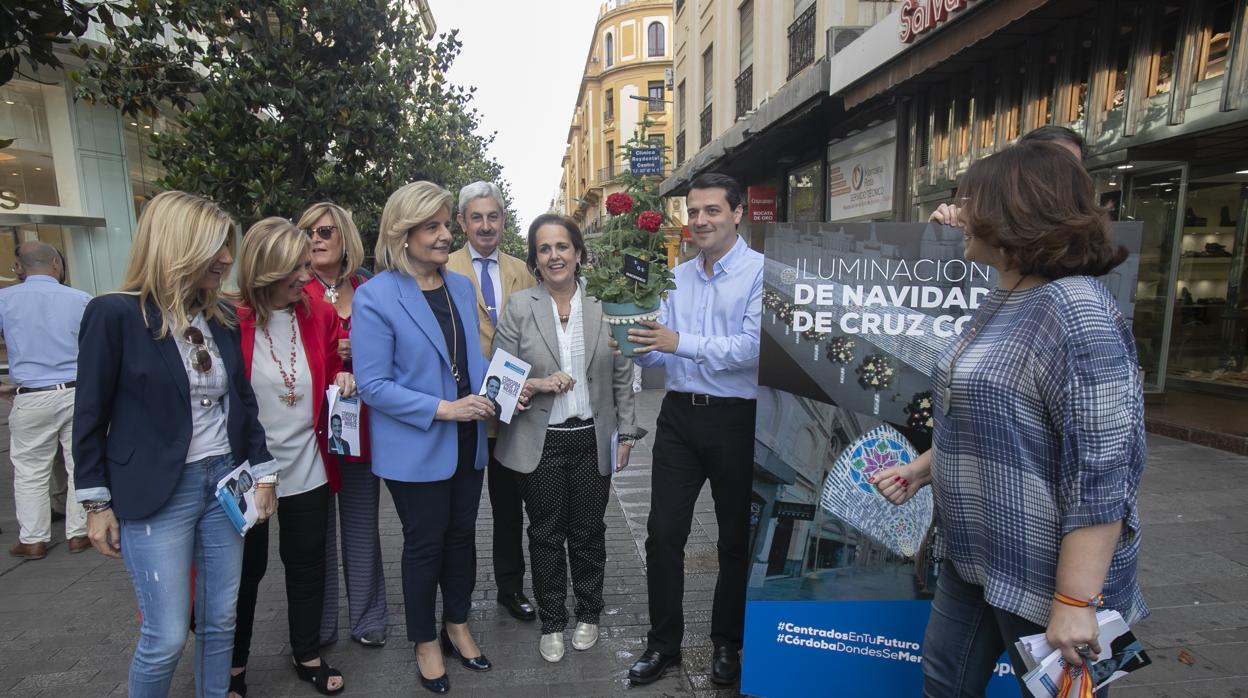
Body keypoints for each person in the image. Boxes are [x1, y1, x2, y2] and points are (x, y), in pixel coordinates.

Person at [871, 141, 1148, 696]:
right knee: (944, 681)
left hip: (1040, 570)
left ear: (1017, 212)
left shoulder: (1076, 311)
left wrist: (1074, 601)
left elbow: (1103, 470)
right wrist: (923, 469)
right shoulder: (1011, 293)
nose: (960, 211)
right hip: (973, 554)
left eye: (972, 200)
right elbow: (993, 419)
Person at [73, 190, 277, 698]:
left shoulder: (221, 318)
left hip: (224, 483)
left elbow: (243, 403)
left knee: (220, 621)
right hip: (156, 492)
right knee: (164, 636)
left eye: (227, 246)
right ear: (176, 245)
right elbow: (90, 416)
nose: (228, 259)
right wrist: (96, 502)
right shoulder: (114, 315)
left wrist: (265, 472)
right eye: (215, 247)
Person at [352, 181, 496, 695]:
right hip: (418, 444)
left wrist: (502, 392)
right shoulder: (375, 296)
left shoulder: (459, 286)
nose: (444, 235)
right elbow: (373, 385)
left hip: (467, 438)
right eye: (432, 226)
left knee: (461, 538)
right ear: (402, 232)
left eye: (444, 224)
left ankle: (456, 625)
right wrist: (445, 409)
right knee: (424, 544)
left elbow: (470, 363)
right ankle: (424, 641)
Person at [621, 172, 763, 687]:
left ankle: (728, 642)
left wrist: (677, 341)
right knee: (662, 534)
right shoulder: (675, 277)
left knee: (733, 540)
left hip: (736, 419)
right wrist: (636, 340)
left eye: (712, 211)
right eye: (694, 211)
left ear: (737, 212)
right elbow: (661, 345)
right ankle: (664, 645)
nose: (700, 220)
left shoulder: (760, 273)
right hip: (679, 416)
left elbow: (753, 348)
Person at [493, 214, 646, 663]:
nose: (554, 255)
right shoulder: (520, 306)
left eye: (563, 246)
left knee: (587, 533)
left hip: (590, 438)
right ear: (535, 260)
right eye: (544, 249)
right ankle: (553, 621)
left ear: (578, 253)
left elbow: (624, 373)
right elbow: (498, 377)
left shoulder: (605, 303)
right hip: (539, 442)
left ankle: (589, 614)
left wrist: (629, 432)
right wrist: (538, 384)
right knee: (544, 533)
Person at [229, 217, 355, 697]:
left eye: (307, 264)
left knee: (307, 565)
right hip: (248, 471)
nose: (307, 276)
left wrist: (342, 376)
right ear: (265, 270)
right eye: (297, 268)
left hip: (307, 461)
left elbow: (332, 364)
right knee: (245, 573)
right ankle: (234, 668)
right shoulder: (229, 320)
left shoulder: (317, 314)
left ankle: (308, 654)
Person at [446, 181, 538, 623]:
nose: (485, 225)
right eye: (476, 217)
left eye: (493, 216)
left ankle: (510, 587)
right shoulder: (443, 267)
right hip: (462, 412)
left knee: (508, 509)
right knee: (459, 515)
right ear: (462, 222)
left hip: (512, 414)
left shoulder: (522, 270)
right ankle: (455, 600)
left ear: (503, 221)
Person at [297, 201, 388, 648]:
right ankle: (320, 626)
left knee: (360, 522)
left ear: (344, 237)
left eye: (326, 231)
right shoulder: (294, 291)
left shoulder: (369, 288)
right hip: (309, 427)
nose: (316, 238)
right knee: (315, 531)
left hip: (360, 423)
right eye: (309, 231)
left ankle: (368, 619)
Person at [1, 241, 91, 560]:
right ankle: (80, 532)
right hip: (77, 391)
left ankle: (34, 538)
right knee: (78, 461)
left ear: (20, 268)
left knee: (29, 470)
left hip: (31, 396)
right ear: (55, 264)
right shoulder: (81, 300)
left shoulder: (4, 299)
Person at [929, 124, 1085, 226]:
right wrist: (940, 233)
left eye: (1074, 168)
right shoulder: (988, 222)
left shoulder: (1089, 235)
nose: (1066, 177)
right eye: (1054, 167)